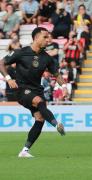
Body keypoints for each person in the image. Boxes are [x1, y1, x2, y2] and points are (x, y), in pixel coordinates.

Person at [0, 27, 67, 157]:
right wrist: (8, 79)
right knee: (39, 102)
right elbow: (1, 63)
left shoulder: (47, 58)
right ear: (36, 38)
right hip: (21, 90)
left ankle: (24, 150)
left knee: (40, 119)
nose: (48, 40)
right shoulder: (21, 52)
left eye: (48, 37)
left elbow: (57, 75)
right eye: (45, 37)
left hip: (36, 89)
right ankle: (56, 124)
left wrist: (64, 87)